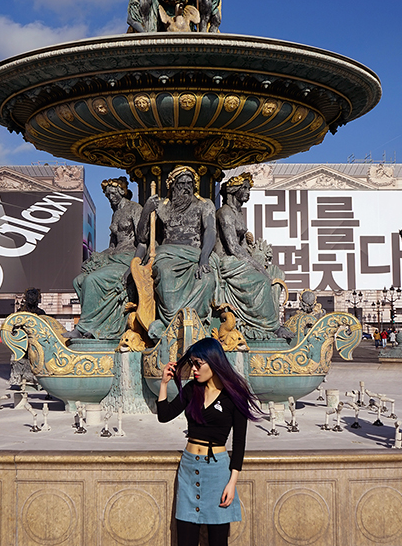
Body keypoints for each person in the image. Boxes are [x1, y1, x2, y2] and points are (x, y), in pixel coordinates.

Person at [157, 338, 261, 545]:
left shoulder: (234, 396)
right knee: (186, 536)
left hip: (217, 471)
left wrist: (232, 483)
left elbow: (239, 443)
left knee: (218, 539)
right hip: (188, 467)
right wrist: (163, 383)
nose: (194, 369)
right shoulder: (191, 390)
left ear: (213, 362)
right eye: (192, 364)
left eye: (198, 364)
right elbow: (164, 415)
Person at [137, 166, 218, 338]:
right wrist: (146, 212)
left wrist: (204, 258)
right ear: (172, 186)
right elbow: (142, 238)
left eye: (190, 183)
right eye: (181, 183)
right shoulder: (161, 207)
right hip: (168, 254)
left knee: (207, 279)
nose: (186, 187)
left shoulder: (205, 205)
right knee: (165, 274)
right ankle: (171, 324)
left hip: (196, 254)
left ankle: (197, 324)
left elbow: (210, 230)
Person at [214, 173, 290, 340]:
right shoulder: (225, 213)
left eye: (248, 188)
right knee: (261, 280)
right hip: (225, 261)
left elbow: (241, 247)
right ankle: (270, 326)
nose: (248, 192)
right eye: (245, 188)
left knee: (273, 272)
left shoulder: (238, 213)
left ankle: (269, 321)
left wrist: (256, 260)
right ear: (233, 191)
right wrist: (255, 265)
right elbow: (232, 247)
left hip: (236, 259)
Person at [68, 177, 144, 339]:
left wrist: (134, 267)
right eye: (108, 195)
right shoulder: (116, 214)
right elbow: (112, 246)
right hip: (114, 256)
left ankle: (84, 327)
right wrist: (95, 257)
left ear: (122, 192)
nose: (111, 197)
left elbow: (143, 242)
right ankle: (96, 326)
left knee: (92, 280)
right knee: (79, 280)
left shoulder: (135, 209)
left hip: (128, 257)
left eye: (113, 193)